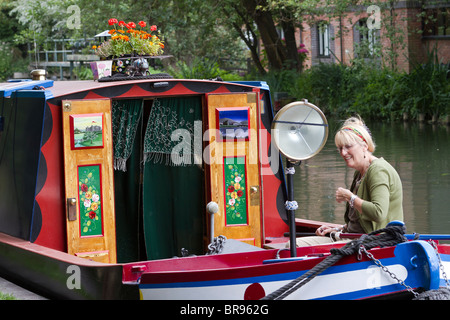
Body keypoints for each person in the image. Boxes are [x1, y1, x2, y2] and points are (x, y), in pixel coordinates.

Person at [292, 115, 404, 247]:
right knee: (292, 246)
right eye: (340, 148)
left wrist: (349, 197)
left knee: (295, 248)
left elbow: (378, 213)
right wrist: (340, 229)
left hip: (374, 243)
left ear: (364, 145)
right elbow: (360, 220)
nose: (343, 153)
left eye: (348, 146)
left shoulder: (378, 171)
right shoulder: (360, 172)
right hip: (354, 238)